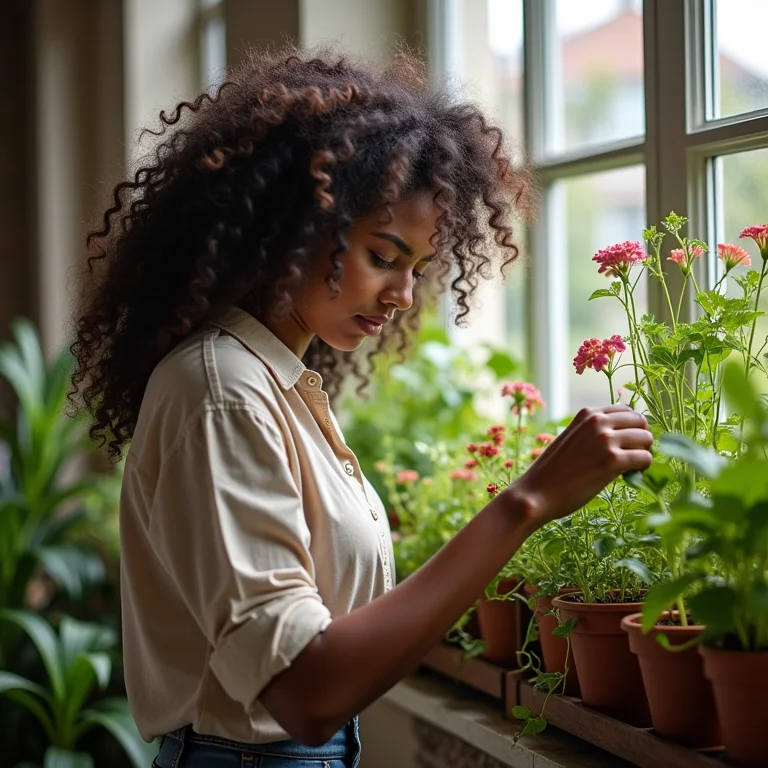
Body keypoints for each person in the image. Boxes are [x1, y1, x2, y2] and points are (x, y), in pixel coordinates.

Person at [70, 47, 653, 768]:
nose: (404, 296)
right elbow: (305, 693)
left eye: (417, 267)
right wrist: (525, 501)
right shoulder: (222, 392)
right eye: (383, 256)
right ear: (291, 226)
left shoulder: (276, 383)